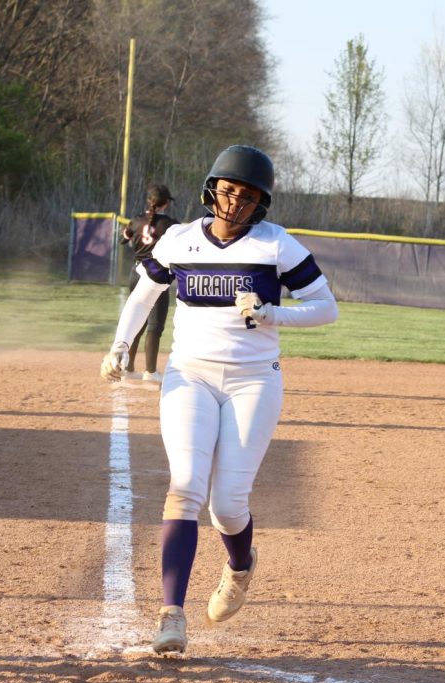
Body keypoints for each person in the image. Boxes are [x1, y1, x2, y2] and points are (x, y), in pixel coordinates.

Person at [99, 145, 338, 654]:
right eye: (228, 191)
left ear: (261, 204)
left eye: (247, 196)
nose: (234, 202)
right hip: (190, 376)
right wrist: (120, 345)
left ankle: (240, 566)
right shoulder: (181, 240)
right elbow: (144, 295)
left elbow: (325, 308)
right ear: (212, 190)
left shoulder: (276, 244)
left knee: (228, 506)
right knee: (184, 486)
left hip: (255, 379)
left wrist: (273, 314)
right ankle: (171, 615)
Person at [119, 184, 179, 381]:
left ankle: (128, 369)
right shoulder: (169, 224)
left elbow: (124, 237)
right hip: (156, 274)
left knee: (136, 321)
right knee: (155, 325)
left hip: (135, 273)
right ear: (165, 204)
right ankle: (151, 372)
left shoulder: (136, 220)